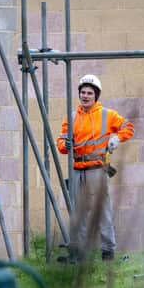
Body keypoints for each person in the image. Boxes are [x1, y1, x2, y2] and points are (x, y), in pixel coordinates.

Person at [57, 74, 134, 261]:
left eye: (89, 93)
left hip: (97, 170)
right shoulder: (72, 117)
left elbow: (128, 127)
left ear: (96, 95)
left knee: (102, 209)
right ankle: (79, 252)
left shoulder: (108, 115)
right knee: (78, 211)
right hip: (77, 170)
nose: (85, 96)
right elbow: (61, 142)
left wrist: (116, 138)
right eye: (82, 92)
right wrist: (63, 145)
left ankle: (108, 250)